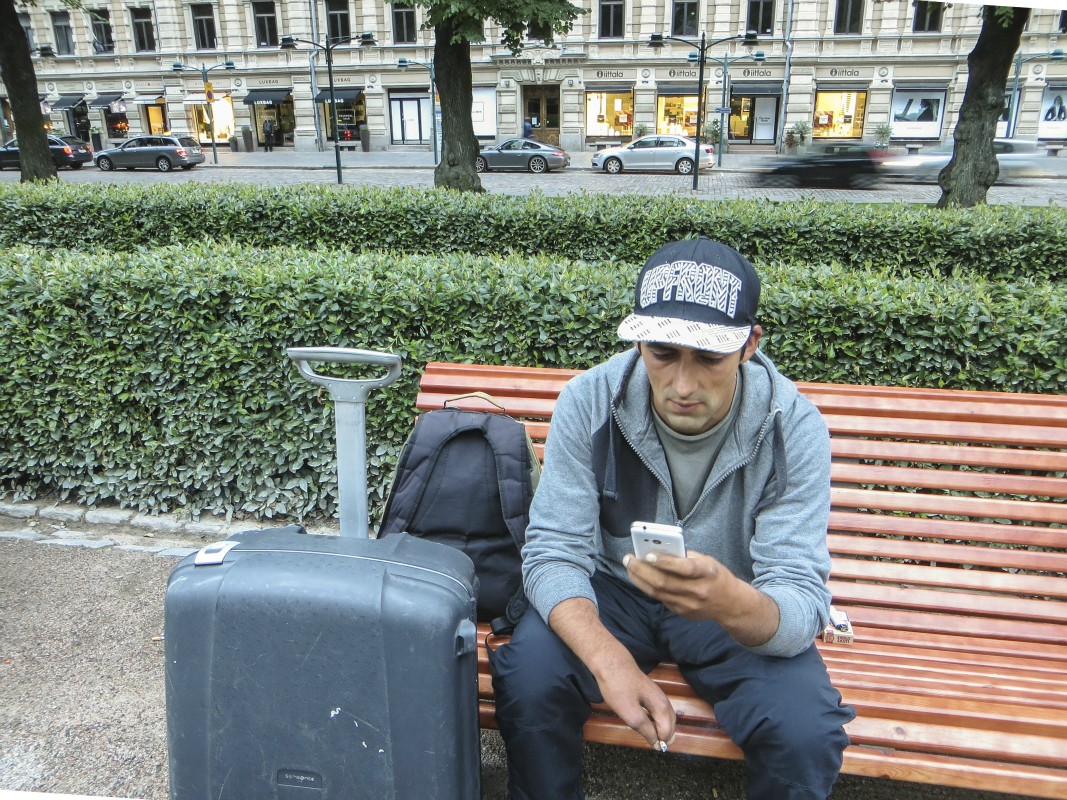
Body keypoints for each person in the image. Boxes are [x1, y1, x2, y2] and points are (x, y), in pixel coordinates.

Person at [490, 237, 855, 800]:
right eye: (662, 352)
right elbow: (552, 553)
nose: (683, 386)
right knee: (530, 678)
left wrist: (731, 600)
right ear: (638, 341)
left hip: (734, 600)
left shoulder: (793, 427)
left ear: (750, 345)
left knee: (806, 730)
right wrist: (609, 661)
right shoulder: (590, 400)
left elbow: (800, 600)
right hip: (613, 590)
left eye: (708, 357)